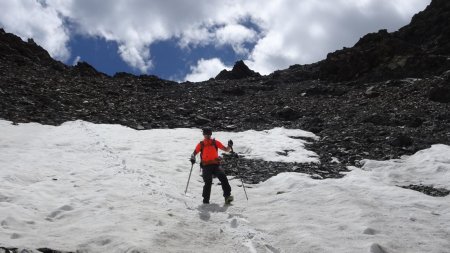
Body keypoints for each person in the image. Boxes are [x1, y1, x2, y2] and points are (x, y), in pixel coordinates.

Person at [190, 127, 234, 204]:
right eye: (206, 134)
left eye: (209, 134)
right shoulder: (201, 144)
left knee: (223, 177)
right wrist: (193, 158)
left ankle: (227, 197)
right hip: (206, 166)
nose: (207, 135)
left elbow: (226, 150)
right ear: (203, 134)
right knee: (208, 182)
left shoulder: (215, 142)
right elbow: (194, 153)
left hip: (216, 165)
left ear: (211, 134)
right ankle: (206, 200)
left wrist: (229, 146)